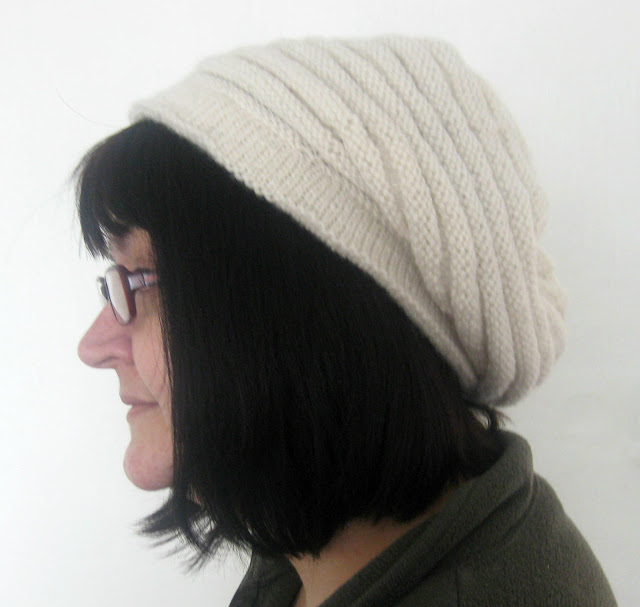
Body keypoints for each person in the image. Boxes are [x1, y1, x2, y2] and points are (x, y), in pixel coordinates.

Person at [76, 37, 617, 606]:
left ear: (312, 317)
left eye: (144, 279)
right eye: (115, 281)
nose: (94, 344)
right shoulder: (307, 539)